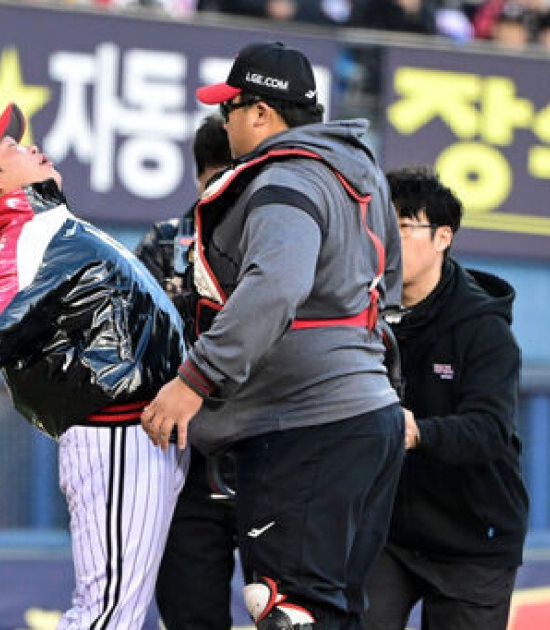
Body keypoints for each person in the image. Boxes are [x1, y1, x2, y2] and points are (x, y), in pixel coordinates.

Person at [139, 41, 406, 629]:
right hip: (366, 419)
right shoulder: (359, 172)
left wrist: (195, 378)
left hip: (307, 426)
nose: (223, 119)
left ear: (260, 112)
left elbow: (275, 285)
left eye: (230, 107)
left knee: (292, 614)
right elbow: (388, 291)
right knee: (327, 611)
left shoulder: (286, 179)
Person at [0, 102, 188, 629]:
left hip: (144, 433)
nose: (29, 145)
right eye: (11, 147)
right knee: (106, 614)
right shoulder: (24, 236)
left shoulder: (44, 225)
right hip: (120, 435)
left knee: (113, 611)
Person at [363, 166, 528, 630]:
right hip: (387, 535)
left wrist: (420, 433)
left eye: (404, 227)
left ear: (443, 237)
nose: (388, 241)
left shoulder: (483, 329)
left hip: (473, 539)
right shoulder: (361, 308)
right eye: (380, 226)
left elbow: (491, 431)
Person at [135, 114, 244, 630]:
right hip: (182, 455)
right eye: (219, 180)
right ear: (201, 177)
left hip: (269, 447)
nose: (228, 194)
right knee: (189, 613)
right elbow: (133, 341)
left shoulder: (280, 240)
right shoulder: (163, 244)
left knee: (289, 610)